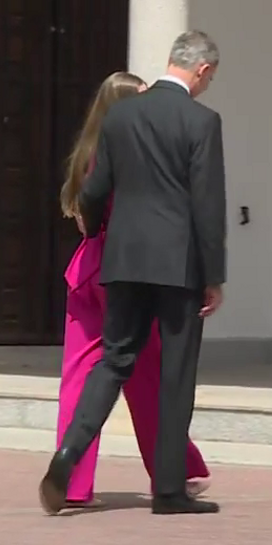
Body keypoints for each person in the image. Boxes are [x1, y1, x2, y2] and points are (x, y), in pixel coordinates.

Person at [39, 30, 227, 516]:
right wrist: (214, 274)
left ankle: (68, 455)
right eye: (210, 77)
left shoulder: (121, 115)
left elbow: (95, 189)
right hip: (179, 264)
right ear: (202, 70)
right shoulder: (202, 121)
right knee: (175, 372)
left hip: (123, 262)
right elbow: (207, 204)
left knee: (113, 362)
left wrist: (103, 233)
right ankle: (168, 490)